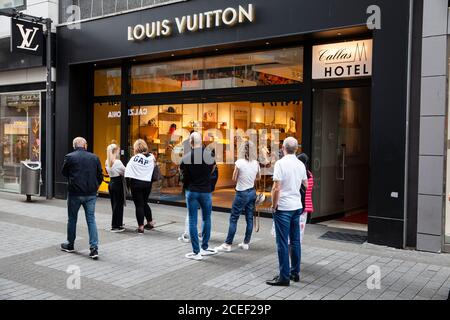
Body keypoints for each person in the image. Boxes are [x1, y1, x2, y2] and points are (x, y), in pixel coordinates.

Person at [266, 137, 308, 286]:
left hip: (283, 207)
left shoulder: (280, 163)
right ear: (296, 149)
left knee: (282, 242)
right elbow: (306, 185)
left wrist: (274, 205)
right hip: (296, 206)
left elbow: (276, 187)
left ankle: (283, 277)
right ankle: (295, 273)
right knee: (295, 241)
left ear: (283, 148)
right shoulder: (300, 164)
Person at [60, 137, 103, 260]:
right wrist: (95, 186)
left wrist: (72, 180)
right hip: (90, 194)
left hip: (75, 193)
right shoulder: (94, 157)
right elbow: (99, 175)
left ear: (74, 146)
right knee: (91, 220)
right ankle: (94, 249)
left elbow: (63, 172)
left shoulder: (69, 157)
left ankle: (70, 244)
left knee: (72, 219)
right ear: (85, 145)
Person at [216, 141, 260, 252]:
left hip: (241, 193)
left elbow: (234, 178)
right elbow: (258, 177)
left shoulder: (239, 162)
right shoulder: (256, 163)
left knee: (234, 218)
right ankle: (246, 242)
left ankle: (227, 244)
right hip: (252, 192)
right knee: (249, 218)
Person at [180, 132, 218, 260]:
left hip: (192, 190)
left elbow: (183, 176)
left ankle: (196, 251)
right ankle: (205, 247)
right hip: (206, 191)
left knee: (192, 219)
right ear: (201, 141)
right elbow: (214, 169)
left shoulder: (186, 157)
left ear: (191, 142)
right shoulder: (209, 155)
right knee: (207, 218)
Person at [125, 139, 155, 234]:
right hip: (147, 184)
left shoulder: (134, 158)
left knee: (139, 205)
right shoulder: (151, 157)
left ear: (136, 148)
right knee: (144, 203)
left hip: (136, 184)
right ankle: (150, 222)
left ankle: (141, 227)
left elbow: (127, 172)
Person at [106, 144, 126, 233]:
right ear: (115, 151)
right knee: (118, 204)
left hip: (111, 183)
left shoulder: (107, 161)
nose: (119, 152)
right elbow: (125, 171)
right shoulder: (117, 162)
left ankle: (118, 223)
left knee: (114, 204)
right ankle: (115, 226)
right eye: (118, 150)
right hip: (118, 183)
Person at [297, 153, 314, 243]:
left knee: (296, 227)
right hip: (306, 205)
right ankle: (298, 243)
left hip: (300, 204)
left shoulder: (300, 175)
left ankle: (295, 245)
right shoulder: (309, 174)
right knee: (301, 227)